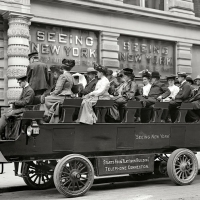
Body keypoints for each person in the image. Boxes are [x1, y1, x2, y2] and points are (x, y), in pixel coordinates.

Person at [0, 75, 35, 139]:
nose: (19, 84)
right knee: (5, 113)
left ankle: (5, 134)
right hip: (21, 109)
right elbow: (22, 101)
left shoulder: (29, 90)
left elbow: (25, 102)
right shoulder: (25, 89)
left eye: (20, 82)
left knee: (5, 115)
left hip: (25, 110)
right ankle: (8, 135)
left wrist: (14, 102)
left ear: (24, 81)